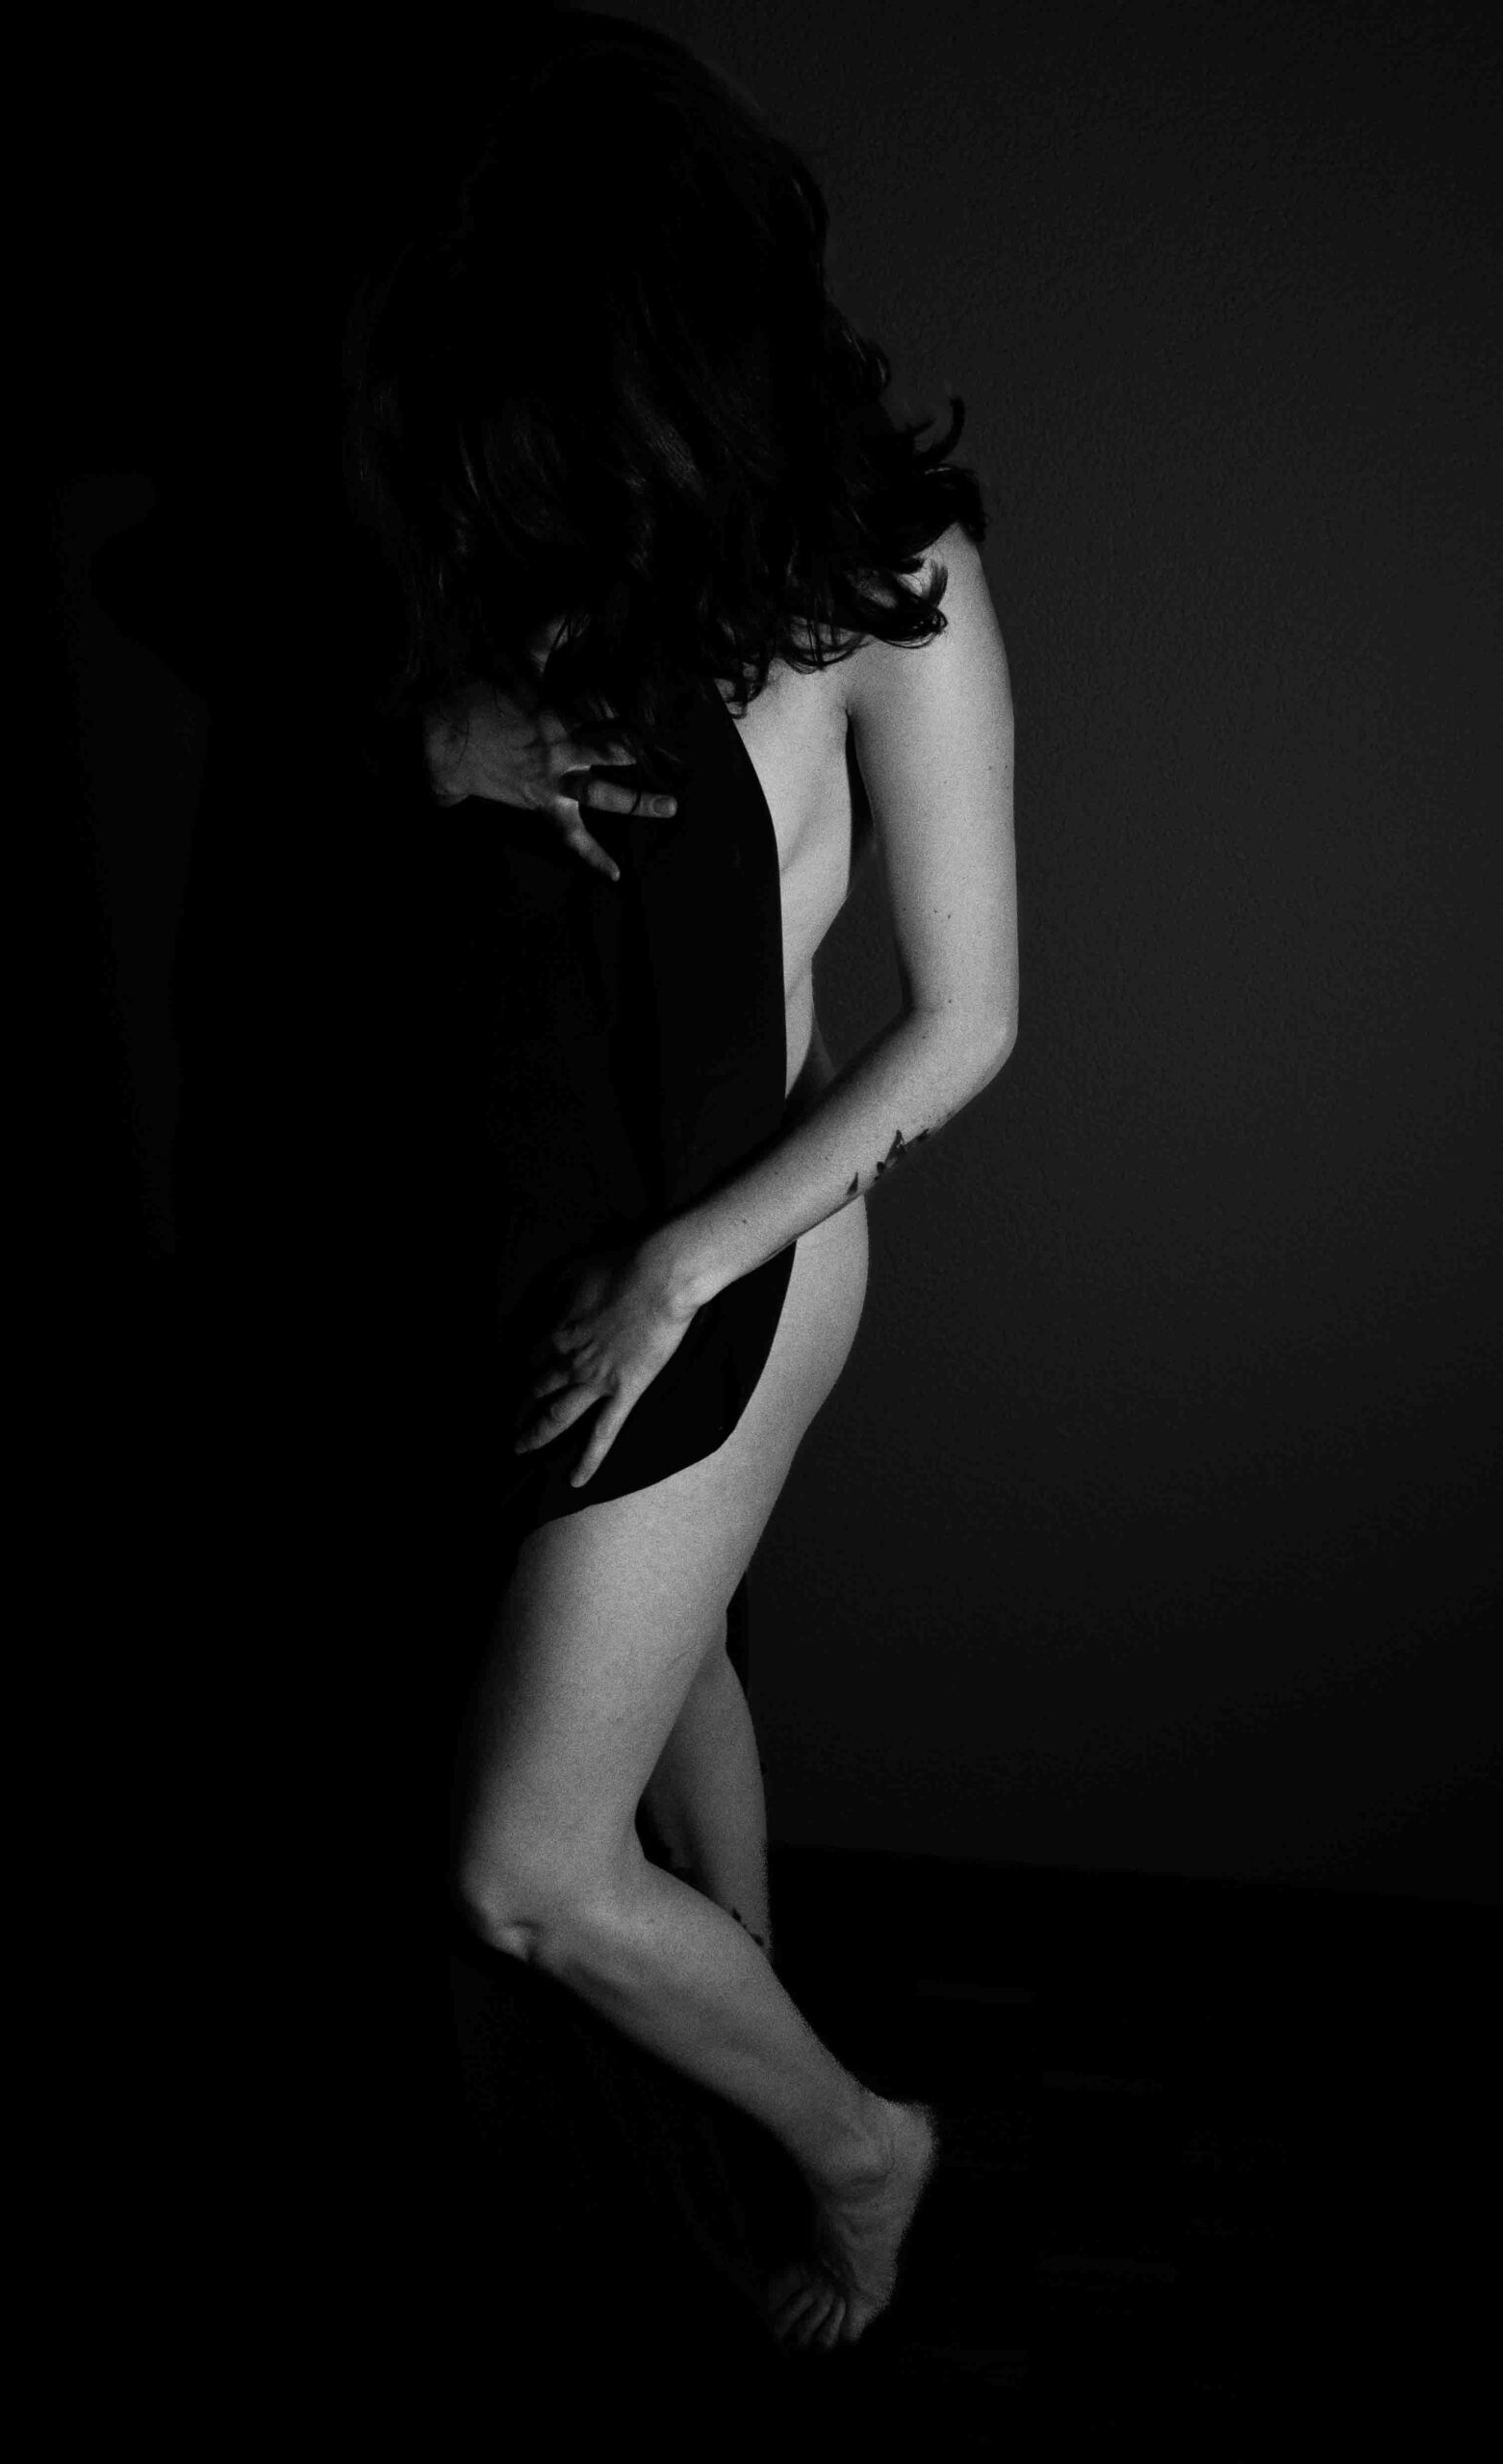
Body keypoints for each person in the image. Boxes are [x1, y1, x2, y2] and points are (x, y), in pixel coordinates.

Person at [340, 11, 1019, 2356]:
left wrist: (676, 1270)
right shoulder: (545, 539)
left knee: (524, 1865)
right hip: (533, 1203)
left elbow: (965, 1024)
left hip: (738, 1235)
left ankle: (854, 2138)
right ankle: (741, 2015)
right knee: (685, 1652)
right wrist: (433, 748)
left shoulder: (895, 578)